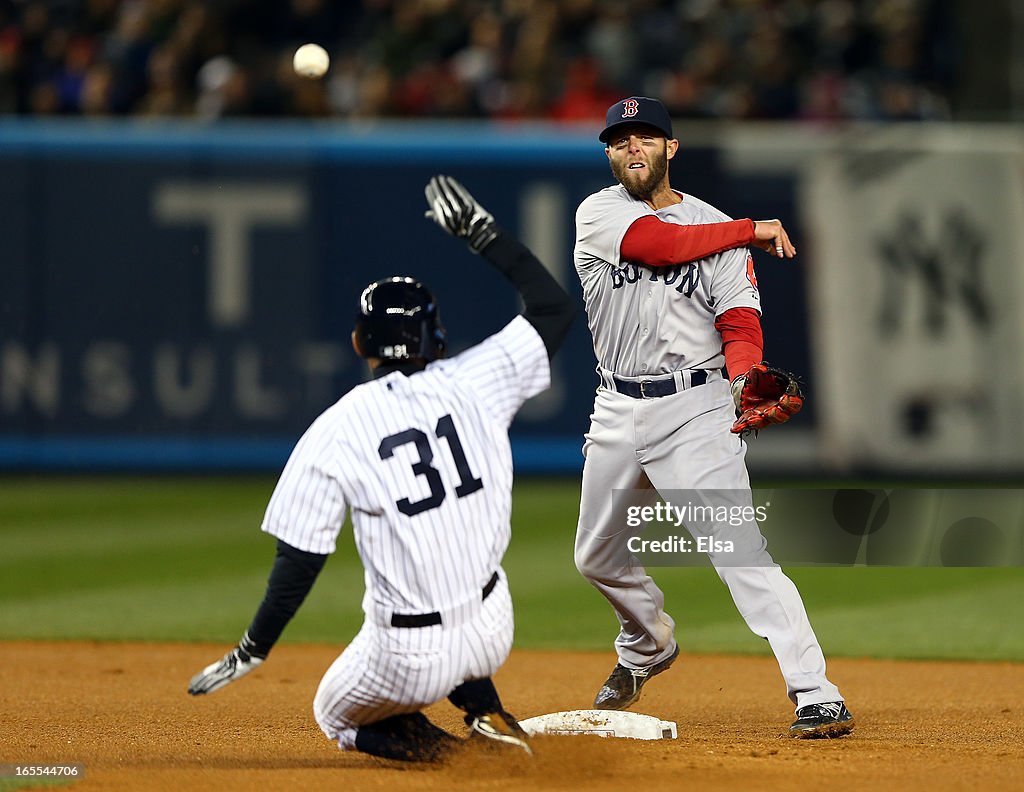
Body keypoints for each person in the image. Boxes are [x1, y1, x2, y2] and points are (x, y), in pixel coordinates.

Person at [187, 175, 575, 761]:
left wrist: (254, 646)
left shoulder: (337, 429)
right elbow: (552, 306)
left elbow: (300, 561)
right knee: (459, 593)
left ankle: (457, 760)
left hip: (408, 655)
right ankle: (486, 710)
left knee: (334, 713)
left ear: (357, 342)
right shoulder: (479, 380)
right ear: (435, 340)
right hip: (495, 625)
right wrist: (483, 234)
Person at [571, 96, 853, 738]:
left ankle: (816, 690)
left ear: (671, 148)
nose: (631, 148)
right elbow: (661, 246)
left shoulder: (718, 228)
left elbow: (739, 322)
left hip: (695, 410)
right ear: (610, 154)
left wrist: (746, 376)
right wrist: (751, 225)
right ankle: (649, 646)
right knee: (595, 556)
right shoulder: (601, 212)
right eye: (619, 141)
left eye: (645, 137)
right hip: (616, 405)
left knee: (739, 552)